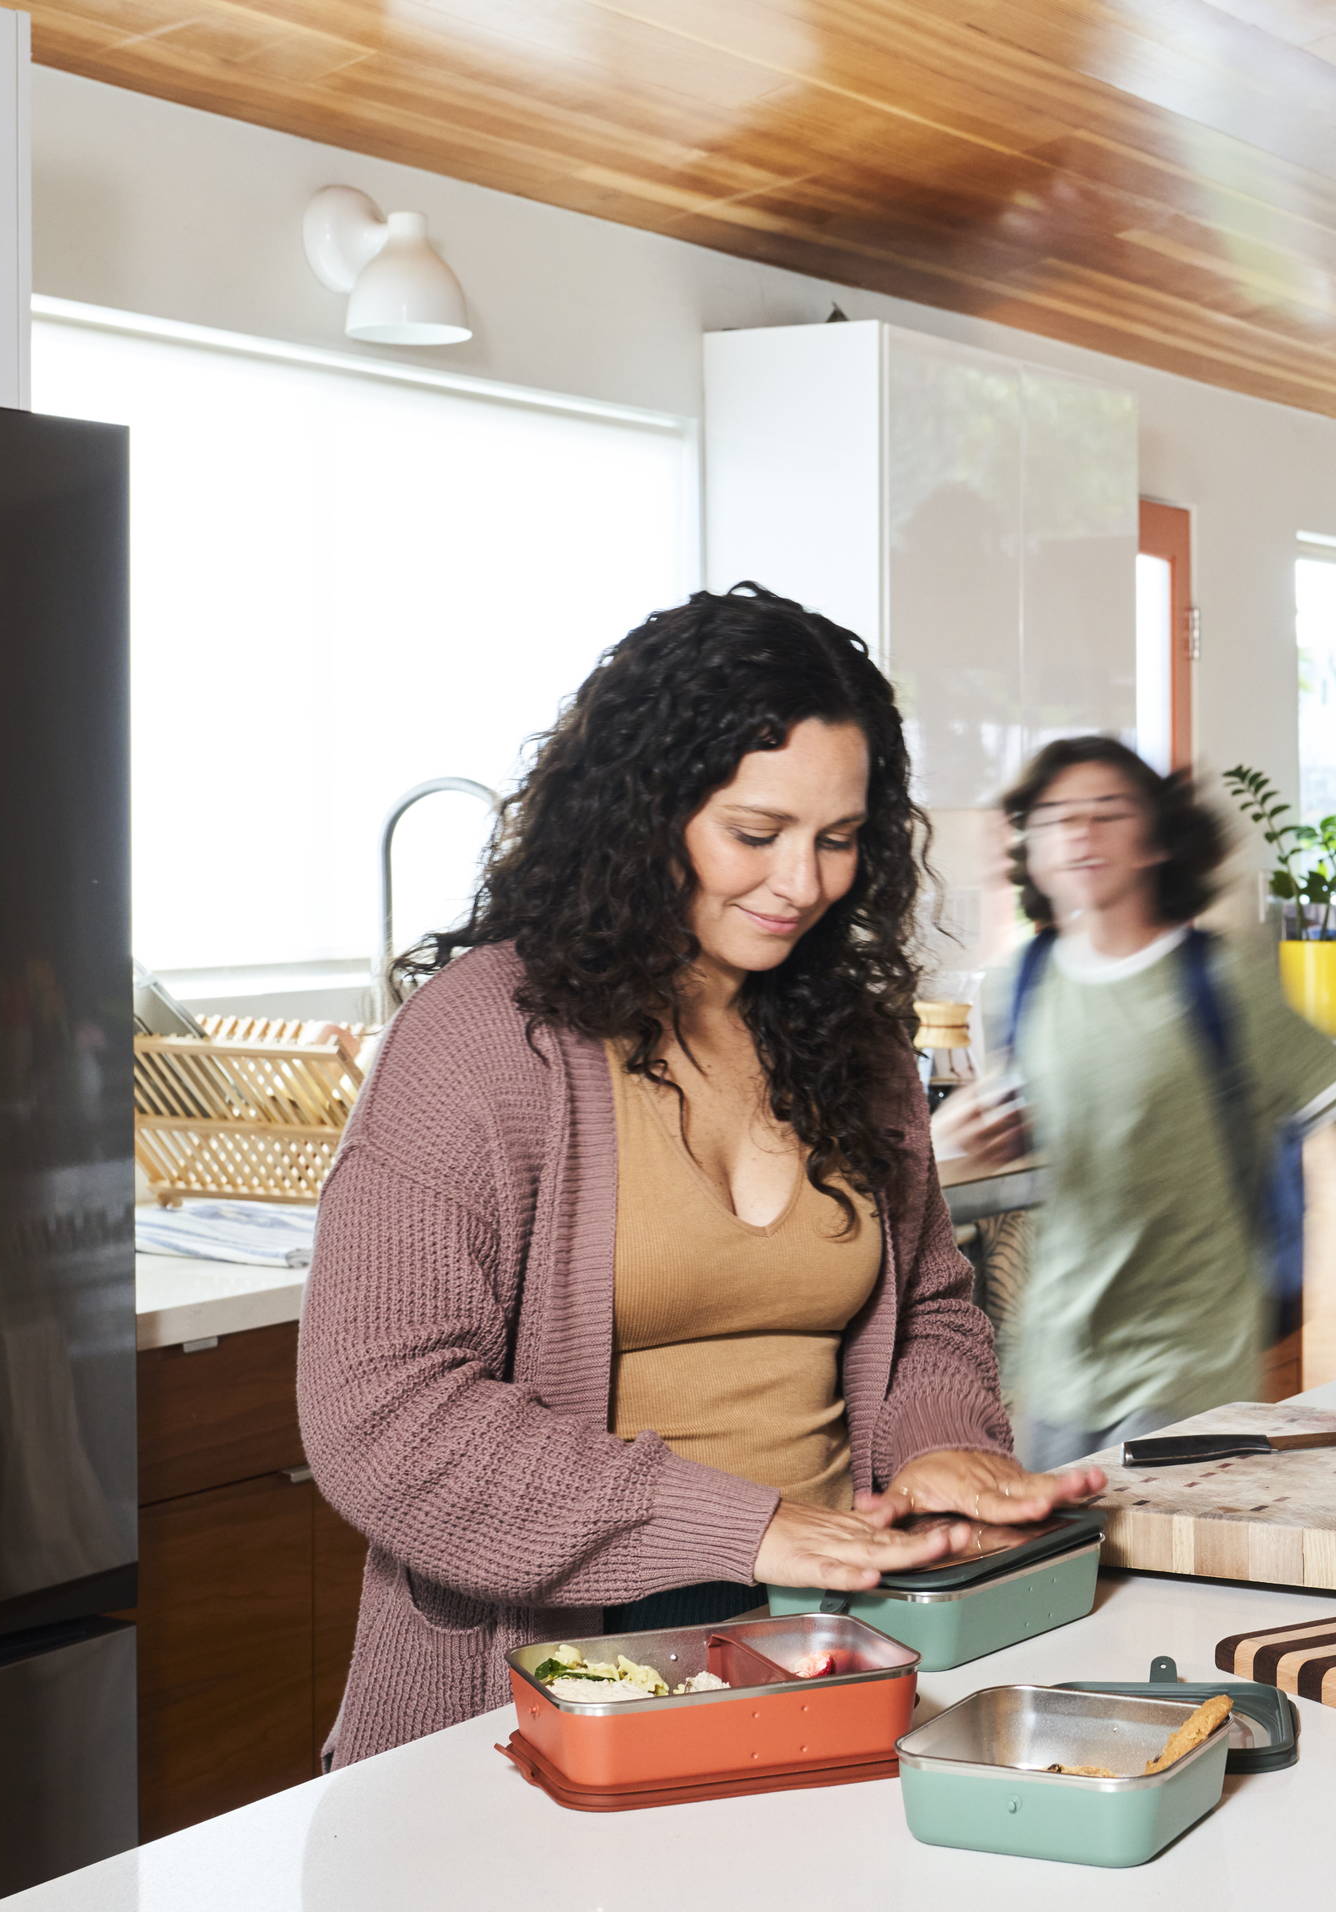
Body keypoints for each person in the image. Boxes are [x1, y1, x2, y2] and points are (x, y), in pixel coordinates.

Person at [298, 585, 1103, 1768]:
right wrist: (746, 1525)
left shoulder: (854, 1041)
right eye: (755, 832)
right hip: (571, 1673)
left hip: (834, 1643)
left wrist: (933, 1443)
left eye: (839, 839)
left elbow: (928, 1306)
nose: (803, 883)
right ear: (643, 809)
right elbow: (382, 1411)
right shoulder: (484, 1039)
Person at [934, 736, 1336, 1469]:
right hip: (1056, 1363)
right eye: (1056, 818)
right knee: (1057, 1571)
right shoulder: (1020, 982)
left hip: (1185, 1360)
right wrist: (963, 1139)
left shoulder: (1222, 979)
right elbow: (1043, 1137)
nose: (1079, 834)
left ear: (1155, 839)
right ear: (1033, 844)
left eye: (1106, 813)